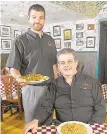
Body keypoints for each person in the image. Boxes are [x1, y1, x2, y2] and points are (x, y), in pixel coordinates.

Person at [24, 48, 106, 134]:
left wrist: (91, 127)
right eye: (62, 63)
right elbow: (46, 106)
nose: (66, 65)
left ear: (76, 63)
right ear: (59, 66)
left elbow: (100, 107)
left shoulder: (92, 82)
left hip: (88, 127)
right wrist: (36, 120)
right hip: (62, 128)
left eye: (69, 61)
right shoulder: (54, 85)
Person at [6, 4, 58, 123]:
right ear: (28, 18)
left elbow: (54, 65)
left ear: (44, 19)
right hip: (32, 89)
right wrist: (19, 77)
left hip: (50, 88)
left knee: (48, 121)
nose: (37, 21)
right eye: (34, 17)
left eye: (41, 17)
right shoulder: (20, 40)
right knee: (32, 123)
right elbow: (12, 67)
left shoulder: (50, 40)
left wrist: (57, 84)